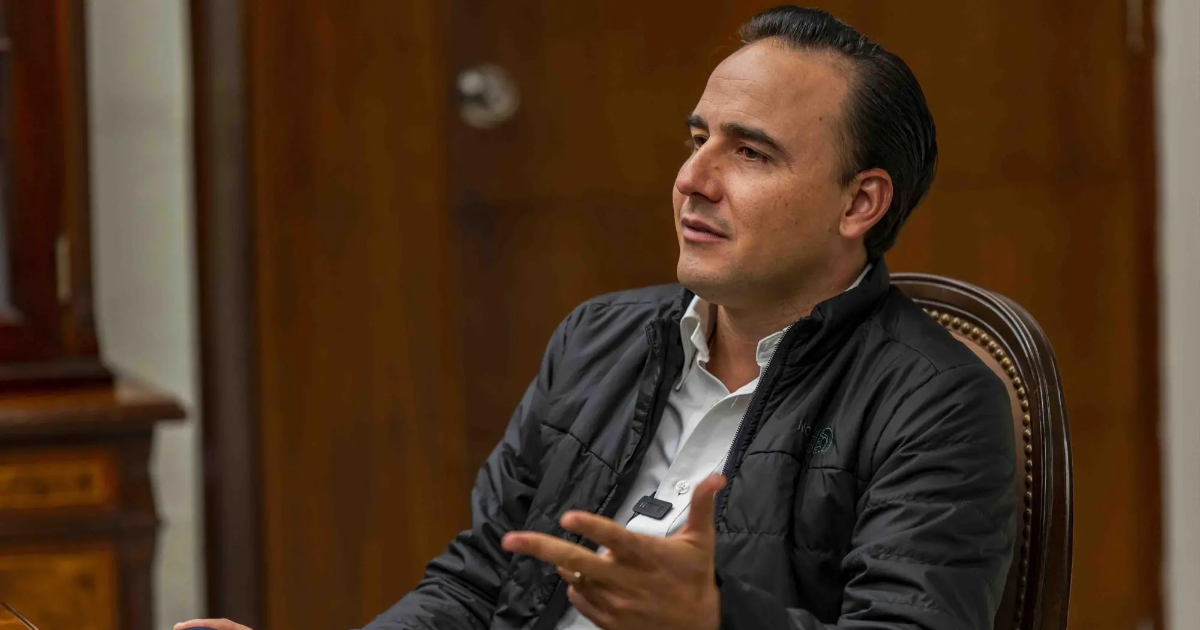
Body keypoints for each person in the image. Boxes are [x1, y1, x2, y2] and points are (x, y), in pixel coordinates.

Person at [178, 6, 1015, 630]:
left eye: (750, 153)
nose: (694, 179)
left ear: (860, 203)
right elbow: (480, 582)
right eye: (697, 139)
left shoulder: (936, 401)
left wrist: (713, 621)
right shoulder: (601, 338)